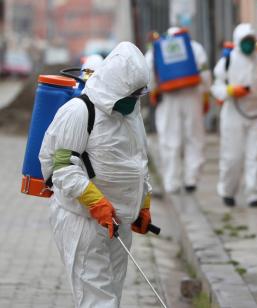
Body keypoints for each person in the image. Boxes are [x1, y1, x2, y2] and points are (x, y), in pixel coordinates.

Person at [39, 41, 153, 307]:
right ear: (115, 85)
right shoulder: (79, 112)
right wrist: (94, 201)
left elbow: (138, 163)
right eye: (131, 94)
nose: (134, 100)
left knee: (111, 294)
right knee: (96, 299)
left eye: (139, 94)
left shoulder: (131, 116)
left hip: (118, 220)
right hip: (82, 220)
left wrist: (143, 205)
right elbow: (63, 167)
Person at [148, 27, 212, 194]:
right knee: (194, 137)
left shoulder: (157, 48)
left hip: (168, 98)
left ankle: (172, 182)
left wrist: (154, 91)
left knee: (169, 140)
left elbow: (148, 73)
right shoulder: (195, 47)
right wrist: (205, 94)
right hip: (192, 95)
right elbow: (205, 74)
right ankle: (191, 179)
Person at [211, 23, 257, 207]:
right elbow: (216, 88)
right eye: (245, 41)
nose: (248, 45)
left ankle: (255, 194)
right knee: (232, 156)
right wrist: (230, 90)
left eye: (251, 40)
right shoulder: (227, 62)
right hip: (234, 112)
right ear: (237, 42)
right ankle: (227, 191)